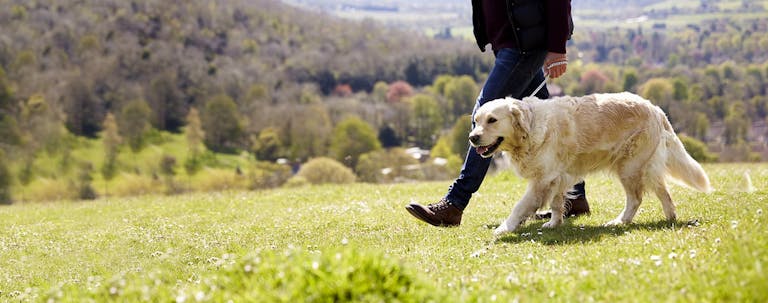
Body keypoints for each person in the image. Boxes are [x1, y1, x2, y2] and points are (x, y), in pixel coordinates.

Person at [405, 0, 590, 227]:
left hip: (524, 45)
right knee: (544, 118)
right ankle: (575, 198)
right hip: (509, 42)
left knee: (485, 117)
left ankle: (455, 203)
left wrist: (557, 47)